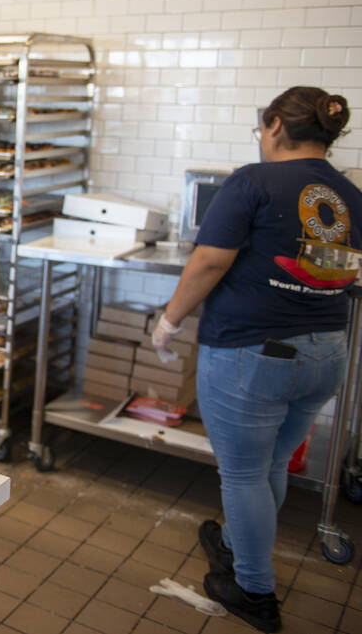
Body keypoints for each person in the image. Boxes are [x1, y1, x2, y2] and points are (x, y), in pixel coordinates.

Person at [152, 87, 360, 632]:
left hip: (256, 354)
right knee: (269, 464)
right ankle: (237, 540)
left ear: (273, 126)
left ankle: (254, 590)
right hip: (327, 353)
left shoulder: (253, 180)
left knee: (243, 474)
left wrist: (169, 320)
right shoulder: (349, 192)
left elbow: (208, 261)